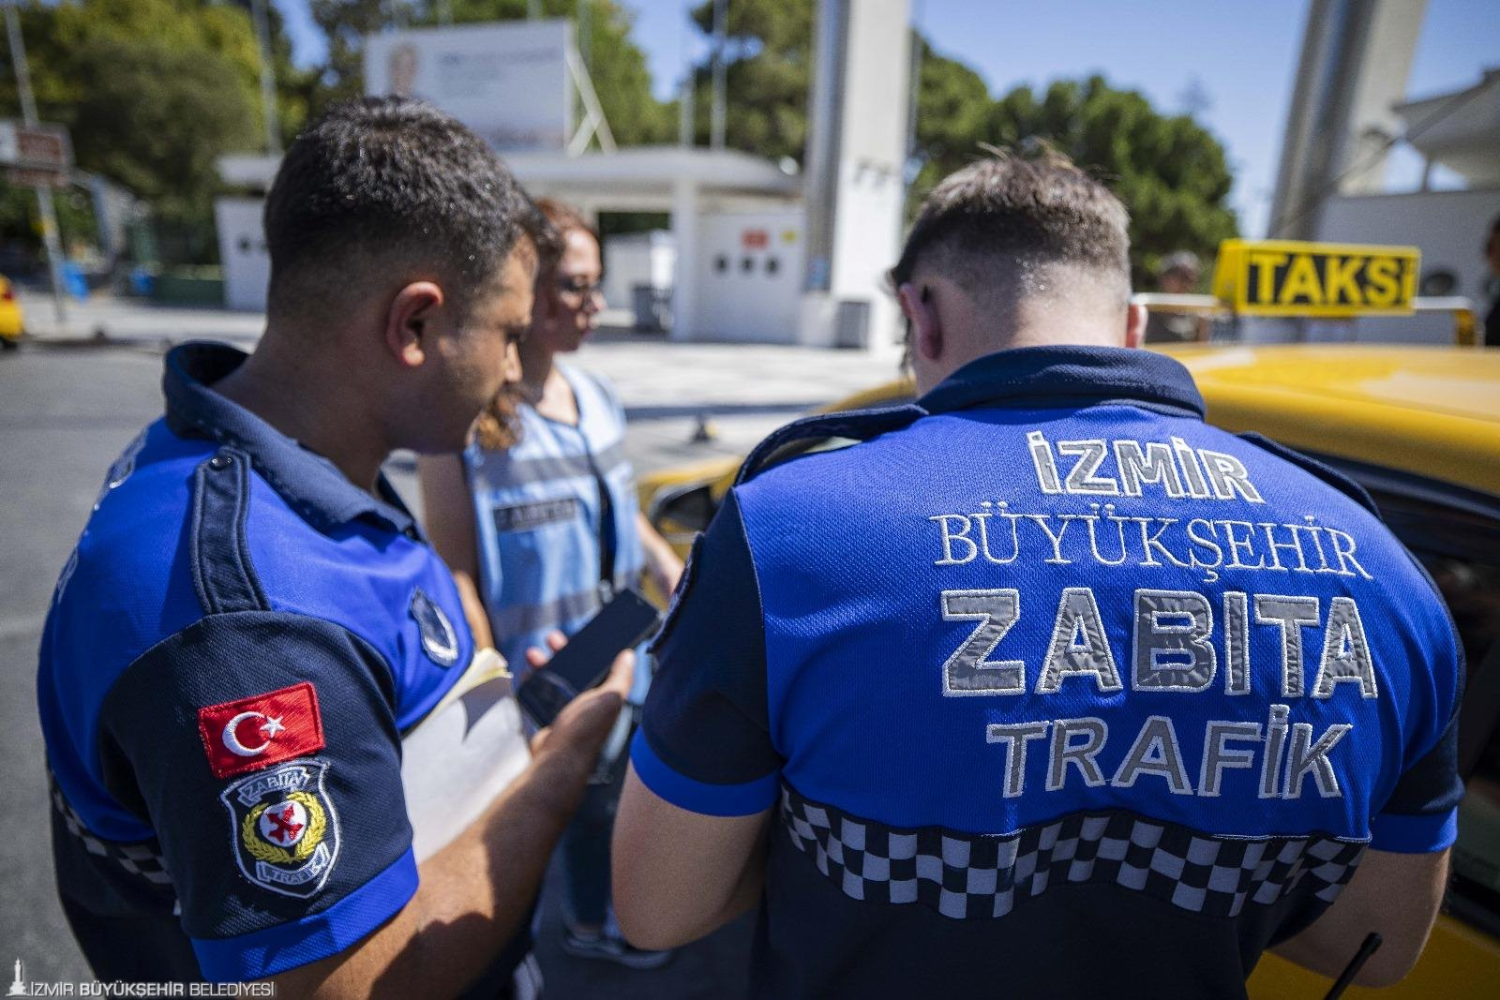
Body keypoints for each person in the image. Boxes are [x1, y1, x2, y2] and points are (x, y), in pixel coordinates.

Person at [612, 150, 1463, 998]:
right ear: (1133, 324)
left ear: (921, 315)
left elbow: (659, 906)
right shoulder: (1381, 567)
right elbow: (1379, 944)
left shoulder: (785, 530)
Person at [37, 98, 633, 998]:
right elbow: (362, 987)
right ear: (415, 325)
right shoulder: (246, 626)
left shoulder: (284, 459)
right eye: (509, 334)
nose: (515, 369)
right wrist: (556, 774)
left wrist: (493, 713)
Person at [419, 200, 683, 969]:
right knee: (567, 815)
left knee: (619, 798)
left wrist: (664, 564)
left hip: (623, 650)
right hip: (540, 676)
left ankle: (603, 916)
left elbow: (618, 506)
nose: (593, 304)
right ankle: (580, 932)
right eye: (573, 286)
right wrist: (493, 689)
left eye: (595, 283)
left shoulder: (597, 397)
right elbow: (455, 571)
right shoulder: (464, 424)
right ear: (523, 293)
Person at [1143, 249, 1205, 343]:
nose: (1187, 284)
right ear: (1164, 278)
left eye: (1191, 279)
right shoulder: (1146, 309)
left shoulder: (1197, 314)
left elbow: (1200, 348)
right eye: (1182, 277)